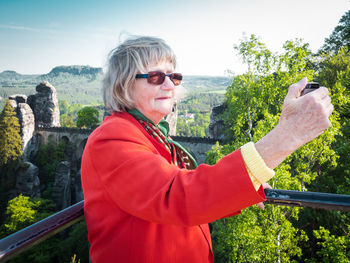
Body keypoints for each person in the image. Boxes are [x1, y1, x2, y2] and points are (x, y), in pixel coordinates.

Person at [81, 36, 333, 263]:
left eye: (174, 77)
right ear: (123, 85)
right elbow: (178, 196)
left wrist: (247, 180)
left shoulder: (152, 135)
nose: (170, 86)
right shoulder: (111, 138)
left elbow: (185, 183)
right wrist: (287, 136)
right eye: (155, 77)